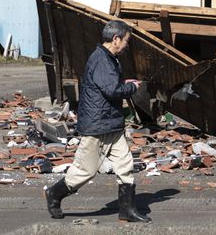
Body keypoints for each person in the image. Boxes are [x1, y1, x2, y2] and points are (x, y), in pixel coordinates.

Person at [44, 20, 151, 223]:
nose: (127, 44)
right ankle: (54, 194)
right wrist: (132, 88)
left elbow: (109, 85)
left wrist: (124, 83)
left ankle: (127, 211)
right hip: (98, 125)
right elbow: (113, 91)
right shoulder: (102, 60)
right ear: (116, 39)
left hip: (111, 123)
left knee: (125, 164)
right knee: (85, 171)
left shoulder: (109, 58)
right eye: (126, 40)